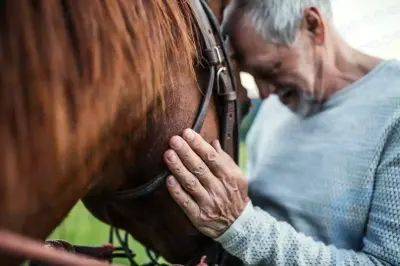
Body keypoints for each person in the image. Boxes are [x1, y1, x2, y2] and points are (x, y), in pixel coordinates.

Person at [162, 0, 400, 265]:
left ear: (313, 25)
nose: (264, 94)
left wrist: (240, 228)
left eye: (271, 70)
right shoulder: (277, 106)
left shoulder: (394, 107)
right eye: (253, 77)